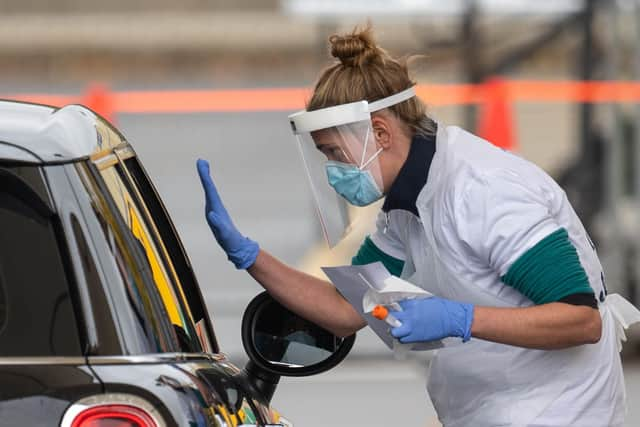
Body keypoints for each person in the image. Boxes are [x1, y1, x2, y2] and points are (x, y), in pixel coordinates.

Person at [196, 26, 640, 426]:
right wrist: (250, 256)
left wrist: (460, 319)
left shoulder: (484, 191)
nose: (332, 170)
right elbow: (347, 310)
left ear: (381, 134)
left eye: (334, 153)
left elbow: (580, 319)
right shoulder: (406, 204)